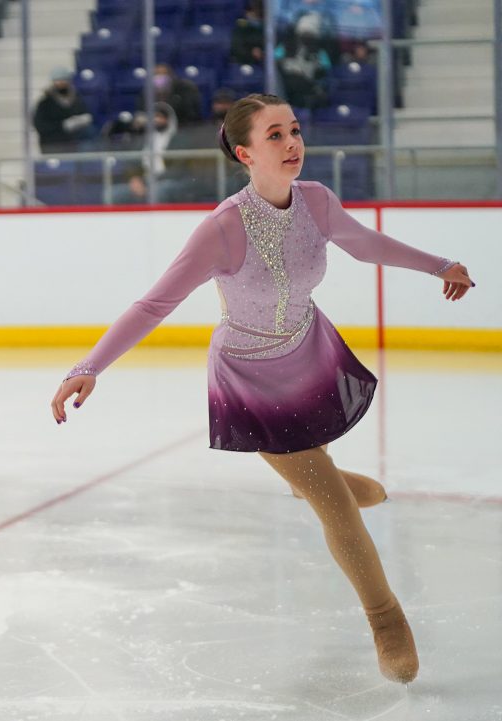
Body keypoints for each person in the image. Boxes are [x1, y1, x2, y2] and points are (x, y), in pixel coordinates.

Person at [50, 93, 475, 685]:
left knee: (331, 488)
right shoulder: (222, 228)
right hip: (250, 376)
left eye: (295, 130)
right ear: (245, 152)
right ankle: (386, 619)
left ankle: (333, 485)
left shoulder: (318, 202)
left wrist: (439, 265)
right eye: (275, 135)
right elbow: (155, 303)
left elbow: (367, 244)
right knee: (333, 502)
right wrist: (89, 366)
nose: (292, 142)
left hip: (309, 353)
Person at [32, 67, 96, 154]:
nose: (61, 83)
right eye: (58, 80)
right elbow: (40, 125)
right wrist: (62, 125)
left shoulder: (78, 99)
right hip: (52, 144)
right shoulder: (45, 103)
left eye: (64, 80)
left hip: (75, 144)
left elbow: (85, 114)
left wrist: (82, 120)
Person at [136, 64, 202, 125]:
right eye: (156, 74)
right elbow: (142, 112)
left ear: (170, 76)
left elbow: (190, 113)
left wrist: (166, 119)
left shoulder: (185, 89)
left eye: (163, 74)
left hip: (182, 126)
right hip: (156, 129)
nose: (159, 78)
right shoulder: (146, 92)